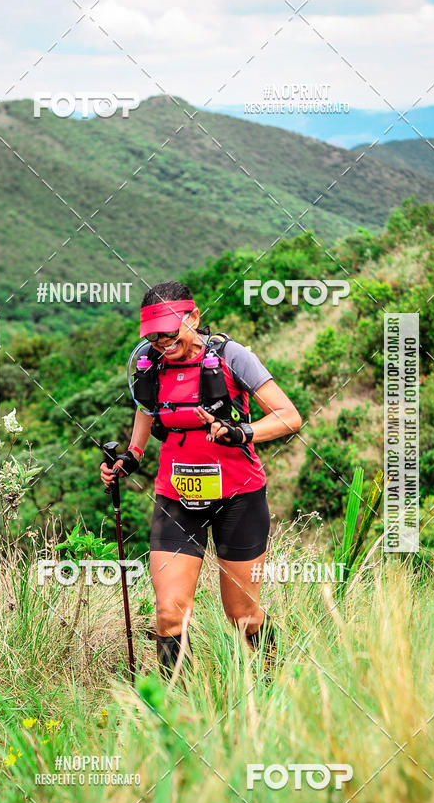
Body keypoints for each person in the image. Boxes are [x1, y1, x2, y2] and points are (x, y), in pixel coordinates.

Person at [100, 281, 302, 678]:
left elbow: (288, 417)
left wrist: (242, 432)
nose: (161, 342)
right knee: (168, 612)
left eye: (168, 332)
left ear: (193, 317)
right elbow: (146, 409)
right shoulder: (149, 364)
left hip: (239, 497)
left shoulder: (232, 356)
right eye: (153, 335)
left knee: (242, 614)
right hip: (176, 498)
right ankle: (179, 706)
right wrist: (131, 456)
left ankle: (276, 680)